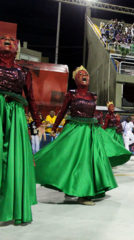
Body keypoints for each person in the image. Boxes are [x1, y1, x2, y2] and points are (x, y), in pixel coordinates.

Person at [34, 66, 131, 206]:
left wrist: (98, 129)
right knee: (69, 159)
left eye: (86, 73)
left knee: (86, 162)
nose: (84, 75)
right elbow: (62, 111)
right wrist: (54, 127)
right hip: (74, 130)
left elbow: (94, 114)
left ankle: (83, 193)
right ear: (75, 79)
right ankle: (70, 187)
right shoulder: (71, 94)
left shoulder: (93, 96)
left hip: (89, 131)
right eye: (80, 74)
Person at [0, 30, 42, 224]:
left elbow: (32, 100)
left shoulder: (23, 72)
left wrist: (39, 123)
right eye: (3, 39)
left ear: (17, 48)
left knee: (13, 161)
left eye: (11, 40)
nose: (8, 41)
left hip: (16, 116)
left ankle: (10, 205)